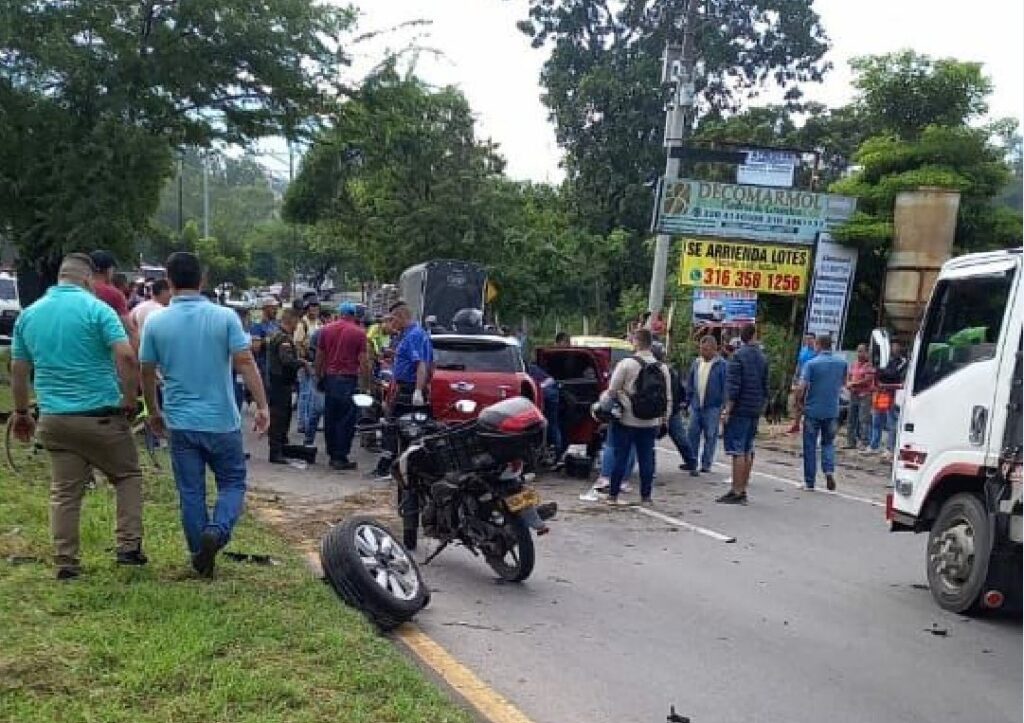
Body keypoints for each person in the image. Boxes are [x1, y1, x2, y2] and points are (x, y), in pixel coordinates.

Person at [11, 253, 145, 579]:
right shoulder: (98, 309)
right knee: (127, 476)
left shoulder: (29, 315)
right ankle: (128, 548)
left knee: (64, 492)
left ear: (60, 278)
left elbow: (17, 370)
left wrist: (21, 413)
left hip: (55, 420)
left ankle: (66, 562)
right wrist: (130, 399)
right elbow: (126, 356)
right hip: (101, 417)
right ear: (88, 280)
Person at [140, 252, 269, 577]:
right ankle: (218, 530)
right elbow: (244, 362)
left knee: (191, 491)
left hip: (180, 422)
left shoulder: (156, 321)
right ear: (203, 280)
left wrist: (153, 411)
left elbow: (146, 371)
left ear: (168, 281)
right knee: (232, 482)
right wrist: (263, 405)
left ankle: (200, 553)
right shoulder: (225, 317)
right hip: (222, 421)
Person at [599, 328, 671, 506]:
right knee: (647, 458)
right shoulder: (662, 368)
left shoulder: (626, 364)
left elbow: (612, 390)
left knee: (621, 457)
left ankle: (613, 495)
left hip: (627, 419)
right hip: (651, 421)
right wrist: (664, 419)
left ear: (637, 342)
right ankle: (646, 496)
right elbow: (668, 396)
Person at [717, 324, 769, 505]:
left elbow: (734, 386)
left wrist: (727, 410)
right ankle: (743, 488)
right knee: (747, 449)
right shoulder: (762, 357)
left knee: (737, 450)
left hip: (740, 408)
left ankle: (736, 490)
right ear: (755, 335)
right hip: (754, 407)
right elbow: (765, 385)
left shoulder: (738, 357)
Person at [317, 301, 368, 471]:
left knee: (331, 417)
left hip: (331, 378)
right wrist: (366, 385)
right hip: (348, 379)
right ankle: (340, 456)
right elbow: (364, 361)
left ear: (340, 313)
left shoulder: (326, 330)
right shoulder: (359, 333)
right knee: (346, 419)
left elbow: (320, 355)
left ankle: (332, 454)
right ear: (353, 315)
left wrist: (319, 376)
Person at [796, 334, 847, 491]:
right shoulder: (842, 363)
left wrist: (798, 402)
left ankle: (810, 481)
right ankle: (829, 471)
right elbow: (844, 383)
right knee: (828, 443)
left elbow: (802, 386)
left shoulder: (811, 364)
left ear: (818, 345)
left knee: (810, 445)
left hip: (813, 409)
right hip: (832, 409)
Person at [266, 309, 314, 464]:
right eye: (296, 322)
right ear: (291, 320)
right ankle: (276, 452)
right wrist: (303, 363)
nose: (297, 325)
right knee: (279, 418)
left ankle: (280, 448)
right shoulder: (283, 338)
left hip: (278, 382)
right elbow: (286, 360)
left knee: (282, 416)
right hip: (280, 383)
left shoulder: (277, 335)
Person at [687, 335, 728, 475]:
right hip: (696, 405)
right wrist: (688, 401)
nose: (702, 352)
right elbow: (690, 383)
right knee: (692, 434)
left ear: (714, 350)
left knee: (710, 436)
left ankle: (706, 463)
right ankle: (692, 462)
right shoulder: (697, 363)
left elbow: (725, 387)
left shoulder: (722, 365)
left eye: (705, 349)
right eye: (701, 349)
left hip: (713, 406)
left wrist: (723, 406)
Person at [655, 343, 697, 473]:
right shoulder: (669, 371)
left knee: (680, 439)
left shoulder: (669, 372)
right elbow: (681, 390)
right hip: (667, 411)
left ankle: (691, 462)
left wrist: (681, 404)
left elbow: (679, 390)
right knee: (680, 439)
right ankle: (691, 463)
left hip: (666, 411)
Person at [389, 301, 433, 415]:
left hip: (410, 388)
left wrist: (417, 391)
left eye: (392, 319)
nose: (391, 324)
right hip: (403, 386)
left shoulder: (414, 335)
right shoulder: (407, 334)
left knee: (404, 425)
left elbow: (421, 364)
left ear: (402, 316)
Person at [89, 250, 138, 347]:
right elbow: (130, 330)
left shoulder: (78, 290)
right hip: (105, 353)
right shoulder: (114, 294)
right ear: (108, 270)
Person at [293, 299, 322, 436]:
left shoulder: (318, 323)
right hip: (305, 363)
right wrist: (303, 361)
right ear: (307, 309)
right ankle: (302, 423)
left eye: (316, 308)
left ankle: (309, 421)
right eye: (312, 307)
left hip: (315, 361)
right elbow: (297, 344)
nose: (315, 310)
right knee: (304, 393)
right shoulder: (302, 324)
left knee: (312, 393)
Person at [876, 340, 909, 453]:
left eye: (895, 346)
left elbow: (893, 374)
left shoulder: (903, 361)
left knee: (892, 420)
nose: (893, 348)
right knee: (879, 418)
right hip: (883, 392)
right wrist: (883, 373)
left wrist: (884, 373)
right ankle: (876, 444)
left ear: (900, 347)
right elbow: (879, 372)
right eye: (892, 346)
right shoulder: (886, 360)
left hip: (895, 394)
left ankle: (890, 448)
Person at [845, 343, 875, 450]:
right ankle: (850, 442)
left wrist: (853, 383)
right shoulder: (854, 364)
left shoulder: (869, 365)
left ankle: (864, 442)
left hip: (865, 395)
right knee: (851, 418)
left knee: (863, 419)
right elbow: (848, 376)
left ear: (867, 353)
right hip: (853, 394)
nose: (859, 353)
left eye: (862, 351)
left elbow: (868, 379)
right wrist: (848, 383)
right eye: (858, 351)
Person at [787, 334, 818, 433]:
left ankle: (808, 425)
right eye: (806, 339)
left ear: (814, 340)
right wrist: (796, 377)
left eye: (810, 339)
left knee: (808, 403)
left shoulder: (817, 352)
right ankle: (796, 424)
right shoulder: (803, 350)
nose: (808, 341)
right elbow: (799, 364)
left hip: (811, 381)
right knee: (798, 402)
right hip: (801, 379)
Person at [249, 297, 281, 387]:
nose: (276, 310)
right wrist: (267, 339)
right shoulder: (257, 325)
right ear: (266, 308)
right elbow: (255, 347)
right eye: (273, 308)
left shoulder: (276, 324)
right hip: (263, 367)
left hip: (276, 368)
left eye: (276, 308)